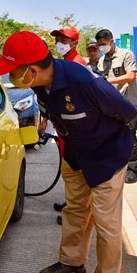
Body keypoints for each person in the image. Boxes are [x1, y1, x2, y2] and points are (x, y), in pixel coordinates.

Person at [0, 31, 137, 273]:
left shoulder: (83, 81)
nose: (11, 76)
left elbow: (127, 112)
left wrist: (103, 137)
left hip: (107, 158)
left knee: (106, 223)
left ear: (32, 70)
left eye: (13, 70)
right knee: (75, 212)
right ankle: (72, 264)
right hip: (75, 155)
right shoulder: (40, 86)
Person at [50, 26, 87, 220]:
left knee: (76, 171)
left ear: (74, 43)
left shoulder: (78, 64)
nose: (60, 44)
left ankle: (74, 210)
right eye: (58, 39)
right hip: (66, 127)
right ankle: (70, 202)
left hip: (75, 129)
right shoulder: (65, 62)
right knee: (70, 169)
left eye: (64, 40)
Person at [96, 29, 137, 184]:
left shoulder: (126, 54)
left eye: (104, 44)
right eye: (100, 45)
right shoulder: (102, 61)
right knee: (112, 137)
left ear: (111, 41)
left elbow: (131, 76)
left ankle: (133, 170)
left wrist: (109, 81)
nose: (102, 47)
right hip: (110, 106)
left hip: (127, 103)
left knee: (130, 137)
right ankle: (117, 167)